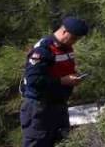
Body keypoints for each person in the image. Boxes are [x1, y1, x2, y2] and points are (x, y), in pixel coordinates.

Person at [20, 16, 89, 147]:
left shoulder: (67, 48)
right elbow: (33, 81)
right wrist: (62, 81)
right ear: (64, 32)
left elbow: (63, 70)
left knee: (64, 142)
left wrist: (73, 77)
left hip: (59, 106)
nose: (75, 42)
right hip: (39, 108)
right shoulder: (43, 50)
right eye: (74, 38)